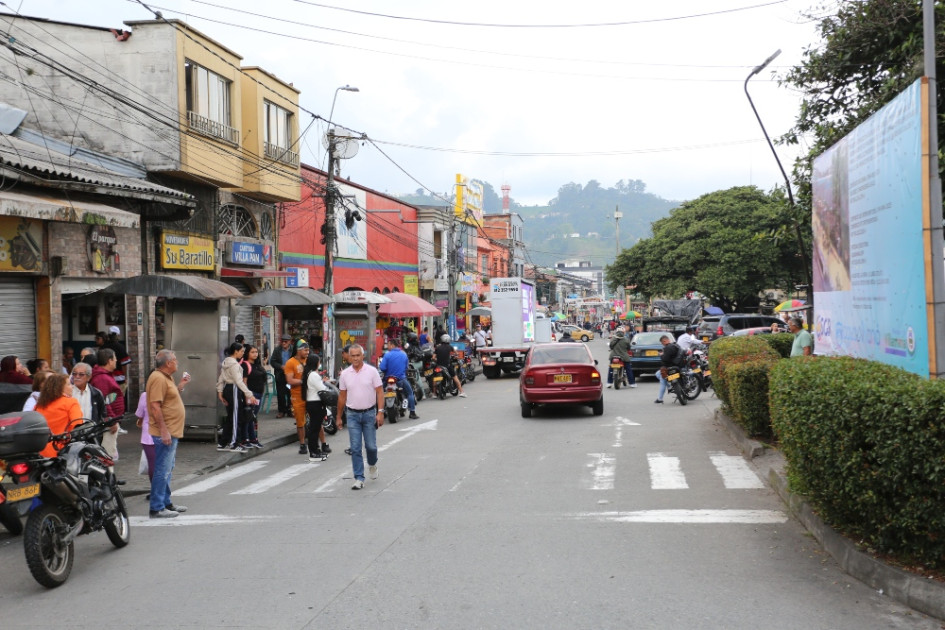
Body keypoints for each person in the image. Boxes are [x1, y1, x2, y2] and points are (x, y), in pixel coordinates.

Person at [147, 348, 191, 519]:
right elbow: (155, 406)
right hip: (165, 432)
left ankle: (166, 502)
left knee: (167, 468)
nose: (177, 362)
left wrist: (180, 385)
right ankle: (157, 507)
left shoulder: (166, 377)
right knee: (162, 470)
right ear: (168, 363)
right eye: (175, 359)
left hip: (171, 430)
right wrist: (164, 430)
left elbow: (168, 398)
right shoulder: (158, 378)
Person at [336, 343, 384, 490]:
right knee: (355, 448)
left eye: (358, 355)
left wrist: (380, 411)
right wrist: (338, 417)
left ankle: (372, 464)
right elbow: (342, 397)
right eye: (353, 355)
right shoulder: (344, 374)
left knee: (371, 446)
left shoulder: (372, 371)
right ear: (349, 357)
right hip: (352, 415)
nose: (356, 358)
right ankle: (358, 477)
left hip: (369, 413)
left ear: (363, 356)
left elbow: (380, 392)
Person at [216, 342, 258, 453]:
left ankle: (223, 442)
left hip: (227, 389)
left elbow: (221, 378)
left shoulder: (226, 362)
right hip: (234, 389)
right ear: (236, 351)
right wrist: (249, 394)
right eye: (241, 351)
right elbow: (239, 381)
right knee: (236, 418)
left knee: (231, 417)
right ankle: (234, 443)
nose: (242, 354)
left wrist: (220, 391)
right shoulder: (234, 365)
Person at [35, 373, 84, 458]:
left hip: (40, 451)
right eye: (69, 384)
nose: (72, 387)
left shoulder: (38, 405)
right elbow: (76, 425)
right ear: (60, 388)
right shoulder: (71, 402)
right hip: (61, 451)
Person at [90, 348, 126, 458]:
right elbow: (105, 401)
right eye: (115, 359)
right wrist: (111, 421)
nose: (116, 361)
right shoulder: (102, 378)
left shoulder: (105, 376)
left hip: (110, 421)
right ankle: (107, 474)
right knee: (107, 454)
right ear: (109, 361)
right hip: (107, 424)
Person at [379, 338, 419, 420]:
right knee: (410, 393)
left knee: (379, 393)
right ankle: (412, 412)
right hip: (400, 379)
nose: (388, 347)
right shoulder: (404, 354)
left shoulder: (387, 355)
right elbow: (406, 367)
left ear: (393, 345)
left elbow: (382, 368)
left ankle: (380, 411)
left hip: (387, 380)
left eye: (389, 345)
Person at [284, 339, 311, 454]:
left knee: (316, 420)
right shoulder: (290, 363)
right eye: (305, 350)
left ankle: (321, 443)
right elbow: (289, 380)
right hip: (297, 396)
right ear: (298, 350)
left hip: (311, 395)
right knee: (300, 422)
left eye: (308, 350)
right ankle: (302, 444)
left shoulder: (310, 361)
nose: (307, 352)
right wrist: (304, 381)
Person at [303, 353, 331, 461]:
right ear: (316, 363)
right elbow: (322, 389)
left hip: (312, 403)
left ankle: (316, 450)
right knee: (314, 429)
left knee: (316, 427)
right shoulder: (313, 375)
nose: (320, 363)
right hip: (315, 403)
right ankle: (313, 452)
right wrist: (326, 384)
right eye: (319, 361)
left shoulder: (310, 374)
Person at [242, 345, 266, 447]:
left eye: (256, 352)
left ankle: (253, 439)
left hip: (259, 394)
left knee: (253, 417)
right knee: (248, 416)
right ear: (247, 353)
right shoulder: (245, 365)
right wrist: (248, 395)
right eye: (252, 352)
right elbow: (244, 382)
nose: (255, 354)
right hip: (251, 395)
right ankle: (246, 438)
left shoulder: (257, 365)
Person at [654, 334, 685, 404]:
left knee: (662, 380)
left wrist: (661, 355)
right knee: (657, 374)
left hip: (670, 367)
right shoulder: (676, 345)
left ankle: (660, 398)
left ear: (664, 341)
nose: (662, 345)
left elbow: (665, 360)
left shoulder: (667, 348)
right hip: (678, 366)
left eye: (662, 343)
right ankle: (669, 386)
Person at [269, 334, 293, 418]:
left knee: (291, 393)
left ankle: (290, 410)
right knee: (281, 394)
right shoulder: (277, 350)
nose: (283, 343)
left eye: (285, 341)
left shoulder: (293, 350)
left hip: (290, 375)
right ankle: (281, 411)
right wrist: (281, 366)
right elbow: (272, 361)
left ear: (290, 342)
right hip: (280, 374)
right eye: (282, 341)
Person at [135, 391, 155, 482]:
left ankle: (155, 490)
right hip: (165, 434)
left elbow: (140, 414)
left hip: (148, 435)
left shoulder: (145, 395)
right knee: (163, 465)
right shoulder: (167, 394)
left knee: (152, 464)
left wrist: (139, 422)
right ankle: (162, 491)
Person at [104, 326, 131, 392]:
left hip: (106, 378)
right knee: (119, 398)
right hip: (119, 378)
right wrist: (125, 377)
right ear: (118, 335)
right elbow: (124, 364)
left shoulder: (103, 347)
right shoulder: (120, 347)